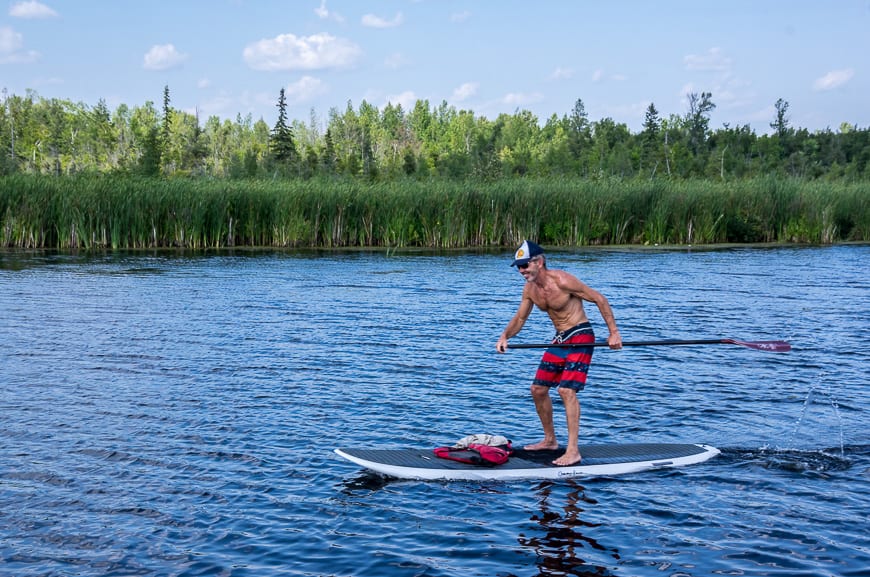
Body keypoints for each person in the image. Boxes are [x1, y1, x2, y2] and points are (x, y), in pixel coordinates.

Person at [496, 240, 622, 466]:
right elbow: (521, 318)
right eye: (519, 267)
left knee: (566, 390)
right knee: (537, 389)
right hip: (561, 338)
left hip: (581, 334)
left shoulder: (563, 280)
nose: (522, 271)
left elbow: (599, 299)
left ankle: (573, 450)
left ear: (539, 262)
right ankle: (550, 441)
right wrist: (505, 336)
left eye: (525, 266)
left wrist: (613, 333)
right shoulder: (530, 290)